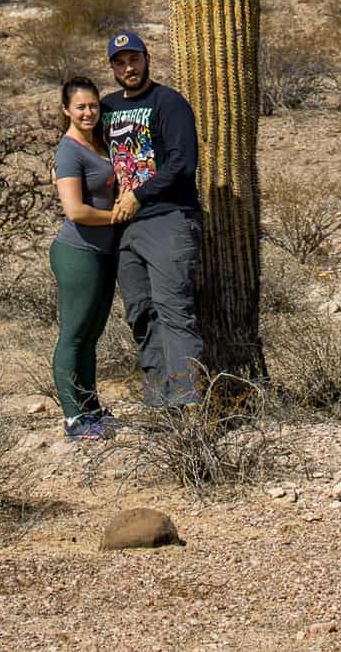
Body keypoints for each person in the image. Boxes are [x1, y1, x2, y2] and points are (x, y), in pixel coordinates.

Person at [101, 31, 204, 407]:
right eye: (120, 62)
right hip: (125, 228)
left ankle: (188, 404)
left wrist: (138, 195)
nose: (128, 67)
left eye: (134, 59)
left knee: (174, 311)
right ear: (113, 67)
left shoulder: (168, 102)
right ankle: (161, 406)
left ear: (147, 59)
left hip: (167, 219)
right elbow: (87, 147)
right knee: (141, 313)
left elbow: (182, 162)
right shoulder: (107, 107)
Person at [50, 74, 121, 441]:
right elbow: (75, 211)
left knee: (92, 335)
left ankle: (91, 409)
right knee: (74, 335)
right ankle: (73, 417)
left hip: (104, 252)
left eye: (93, 105)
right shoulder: (68, 152)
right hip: (78, 251)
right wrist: (117, 216)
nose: (88, 112)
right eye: (80, 107)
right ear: (66, 110)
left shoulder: (99, 144)